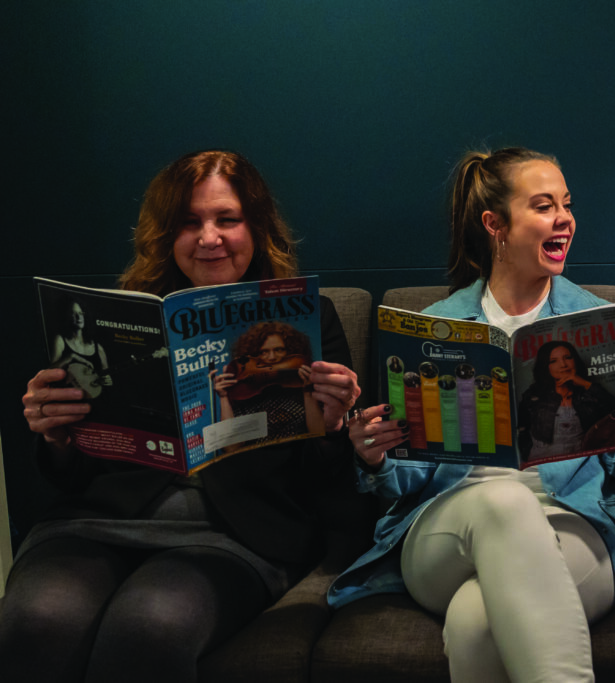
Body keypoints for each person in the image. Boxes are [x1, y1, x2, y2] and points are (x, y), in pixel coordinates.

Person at [329, 147, 615, 682]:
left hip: (572, 525)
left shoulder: (595, 321)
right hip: (447, 530)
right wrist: (375, 455)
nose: (565, 219)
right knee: (502, 499)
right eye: (545, 206)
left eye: (567, 205)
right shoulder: (434, 327)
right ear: (495, 225)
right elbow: (406, 476)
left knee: (476, 623)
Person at [1, 150, 362, 683]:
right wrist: (55, 435)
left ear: (257, 229)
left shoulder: (307, 320)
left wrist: (333, 429)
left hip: (234, 535)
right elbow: (70, 473)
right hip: (98, 524)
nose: (208, 237)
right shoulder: (125, 315)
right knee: (34, 620)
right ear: (167, 235)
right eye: (189, 223)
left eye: (227, 219)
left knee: (149, 625)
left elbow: (325, 480)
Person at [213, 321, 325, 446]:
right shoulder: (245, 392)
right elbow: (231, 448)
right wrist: (223, 397)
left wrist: (308, 392)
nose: (272, 357)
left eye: (279, 350)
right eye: (263, 352)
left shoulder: (304, 386)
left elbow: (319, 436)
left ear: (291, 350)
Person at [517, 340, 615, 461]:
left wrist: (585, 384)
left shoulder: (589, 394)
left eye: (568, 358)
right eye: (553, 361)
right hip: (540, 464)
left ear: (575, 360)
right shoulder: (533, 395)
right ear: (546, 366)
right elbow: (522, 430)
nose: (563, 365)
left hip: (581, 462)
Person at [49, 296, 112, 398]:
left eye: (81, 313)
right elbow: (50, 372)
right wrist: (72, 356)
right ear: (67, 317)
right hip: (68, 398)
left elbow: (106, 374)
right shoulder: (60, 340)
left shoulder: (97, 347)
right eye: (73, 314)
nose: (79, 318)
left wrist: (108, 380)